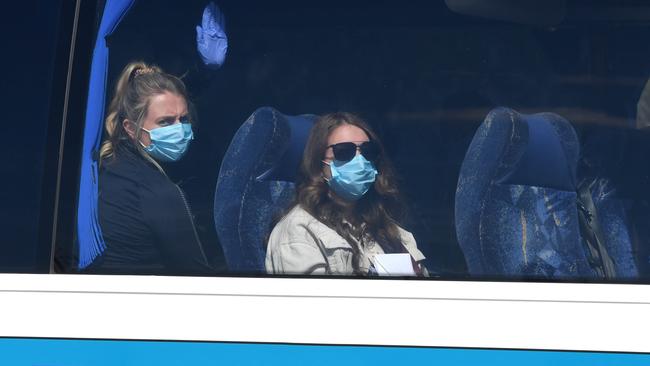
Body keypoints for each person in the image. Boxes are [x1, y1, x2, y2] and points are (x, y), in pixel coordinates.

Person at [89, 61, 214, 275]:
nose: (179, 130)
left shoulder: (112, 165)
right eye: (165, 122)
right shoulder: (152, 189)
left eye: (183, 119)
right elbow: (197, 274)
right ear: (130, 128)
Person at [265, 112, 428, 276]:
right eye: (344, 151)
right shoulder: (299, 232)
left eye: (367, 151)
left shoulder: (391, 232)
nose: (360, 160)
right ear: (318, 164)